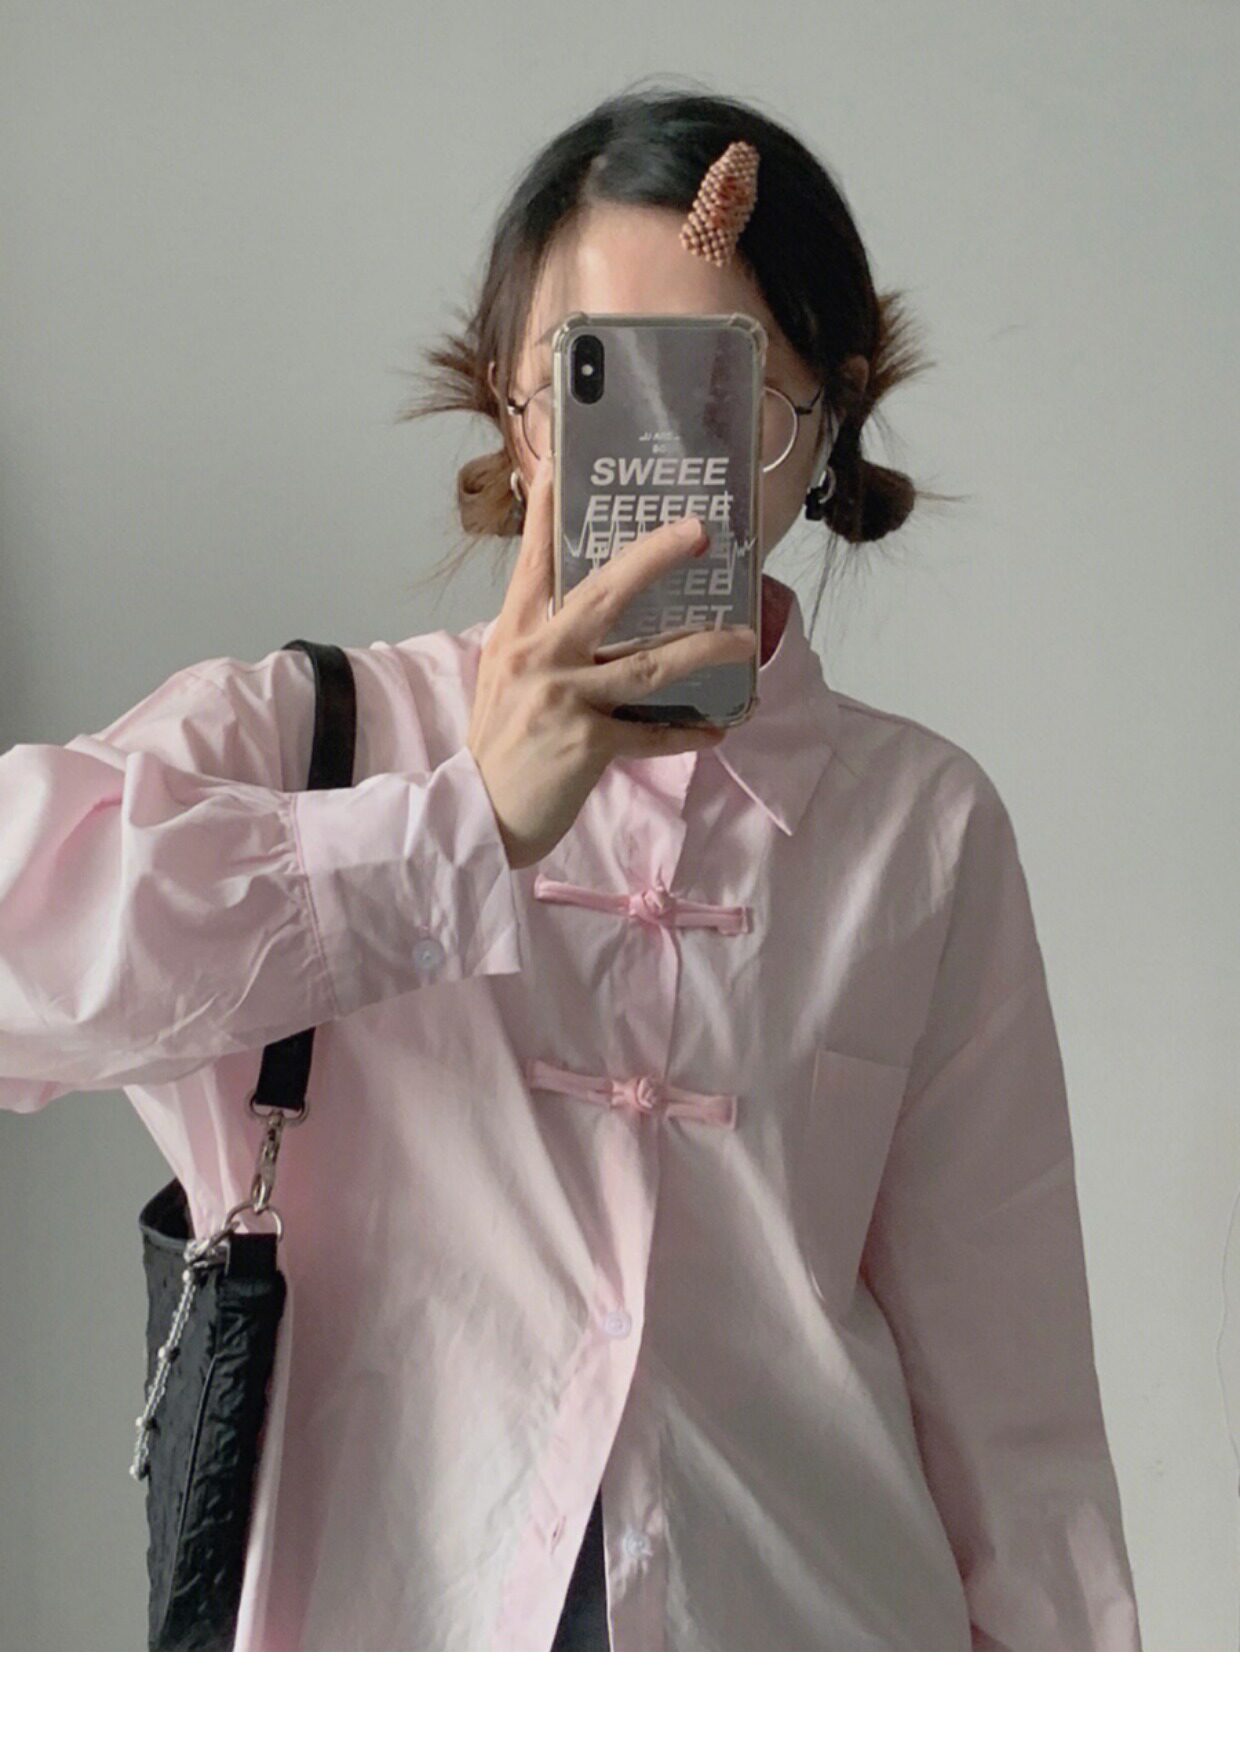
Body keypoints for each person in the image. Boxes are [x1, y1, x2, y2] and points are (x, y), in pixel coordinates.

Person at [0, 83, 1141, 1650]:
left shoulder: (924, 827)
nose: (660, 460)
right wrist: (453, 834)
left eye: (721, 390)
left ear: (822, 421)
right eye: (601, 382)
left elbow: (1019, 1431)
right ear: (516, 412)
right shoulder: (318, 735)